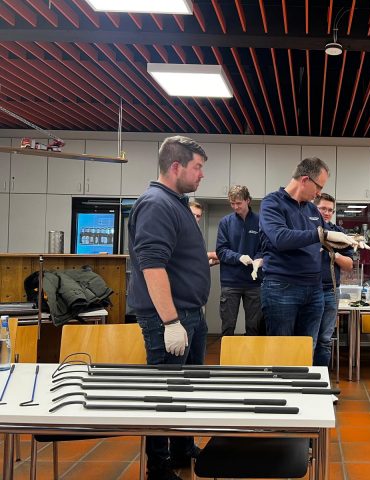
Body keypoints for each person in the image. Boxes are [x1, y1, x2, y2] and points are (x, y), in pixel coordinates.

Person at [128, 136, 210, 480]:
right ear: (176, 166)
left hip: (190, 315)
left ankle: (181, 447)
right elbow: (152, 266)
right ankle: (158, 465)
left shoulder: (176, 202)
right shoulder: (156, 204)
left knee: (184, 389)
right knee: (164, 392)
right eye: (197, 167)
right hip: (171, 320)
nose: (201, 174)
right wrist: (171, 322)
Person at [259, 157, 364, 345]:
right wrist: (322, 234)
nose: (319, 193)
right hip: (282, 287)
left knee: (307, 348)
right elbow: (280, 238)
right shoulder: (272, 203)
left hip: (314, 289)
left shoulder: (312, 210)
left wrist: (352, 239)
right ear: (305, 180)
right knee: (282, 349)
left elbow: (329, 236)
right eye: (319, 187)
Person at [215, 185, 262, 336]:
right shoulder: (225, 222)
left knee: (254, 327)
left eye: (239, 203)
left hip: (254, 283)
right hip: (231, 282)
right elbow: (221, 250)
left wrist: (258, 259)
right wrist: (238, 257)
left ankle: (252, 352)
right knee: (228, 327)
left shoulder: (260, 221)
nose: (235, 207)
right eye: (232, 203)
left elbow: (264, 247)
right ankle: (226, 353)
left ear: (248, 200)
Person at [313, 193, 353, 366]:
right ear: (314, 208)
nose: (327, 213)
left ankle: (322, 377)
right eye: (323, 209)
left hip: (330, 291)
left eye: (330, 210)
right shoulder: (305, 231)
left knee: (324, 339)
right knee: (308, 338)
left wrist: (333, 254)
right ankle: (305, 377)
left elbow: (349, 265)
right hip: (308, 290)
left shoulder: (339, 233)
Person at [189, 200, 219, 266]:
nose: (195, 218)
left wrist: (211, 262)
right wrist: (210, 255)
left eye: (198, 216)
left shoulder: (196, 232)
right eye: (192, 214)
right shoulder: (179, 230)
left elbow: (194, 261)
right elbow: (186, 257)